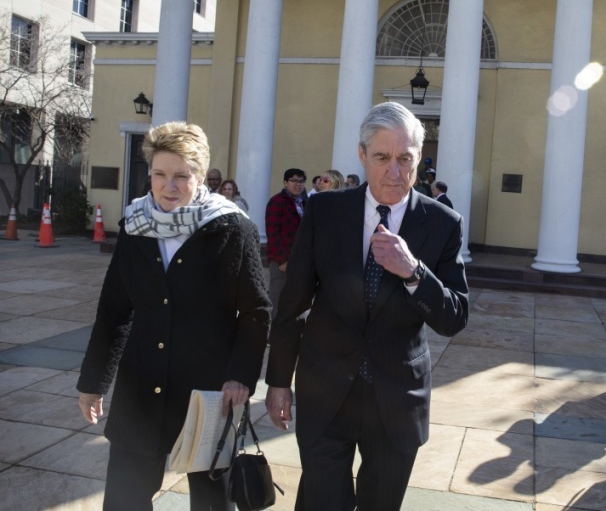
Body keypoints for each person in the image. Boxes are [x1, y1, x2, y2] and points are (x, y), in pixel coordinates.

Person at [265, 101, 469, 510]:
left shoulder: (443, 223)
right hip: (325, 389)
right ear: (361, 154)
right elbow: (293, 301)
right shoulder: (325, 210)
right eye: (382, 158)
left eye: (405, 159)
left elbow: (454, 317)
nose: (395, 172)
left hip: (396, 397)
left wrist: (414, 272)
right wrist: (277, 381)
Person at [76, 122, 270, 510]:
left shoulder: (231, 228)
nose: (169, 186)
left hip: (207, 391)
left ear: (201, 177)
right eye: (160, 175)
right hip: (140, 386)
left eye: (182, 176)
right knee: (124, 499)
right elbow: (115, 309)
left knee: (212, 501)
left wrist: (240, 376)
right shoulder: (135, 226)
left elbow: (256, 310)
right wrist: (93, 381)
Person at [265, 168, 306, 319]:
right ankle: (272, 337)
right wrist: (282, 259)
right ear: (285, 183)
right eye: (294, 181)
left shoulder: (304, 202)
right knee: (278, 300)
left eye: (301, 181)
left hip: (300, 261)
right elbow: (272, 232)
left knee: (295, 301)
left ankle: (289, 335)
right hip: (282, 261)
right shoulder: (277, 202)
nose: (298, 184)